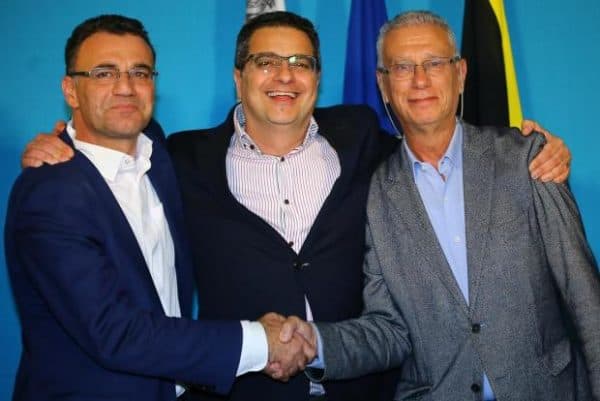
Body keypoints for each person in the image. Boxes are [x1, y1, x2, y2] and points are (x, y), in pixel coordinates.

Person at [19, 11, 572, 401]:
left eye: (300, 62)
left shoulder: (362, 138)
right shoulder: (181, 159)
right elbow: (115, 140)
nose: (284, 76)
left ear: (317, 78)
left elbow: (436, 143)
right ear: (239, 77)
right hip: (241, 391)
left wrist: (529, 146)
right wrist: (63, 141)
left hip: (367, 390)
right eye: (266, 61)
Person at [282, 10, 600, 401]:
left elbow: (585, 298)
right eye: (402, 67)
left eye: (434, 63)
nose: (420, 80)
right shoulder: (376, 194)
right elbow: (390, 330)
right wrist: (315, 343)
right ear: (383, 85)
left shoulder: (528, 158)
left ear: (460, 74)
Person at [4, 14, 313, 401]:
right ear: (71, 90)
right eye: (104, 73)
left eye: (140, 73)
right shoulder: (50, 194)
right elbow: (115, 333)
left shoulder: (158, 152)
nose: (125, 87)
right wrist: (259, 342)